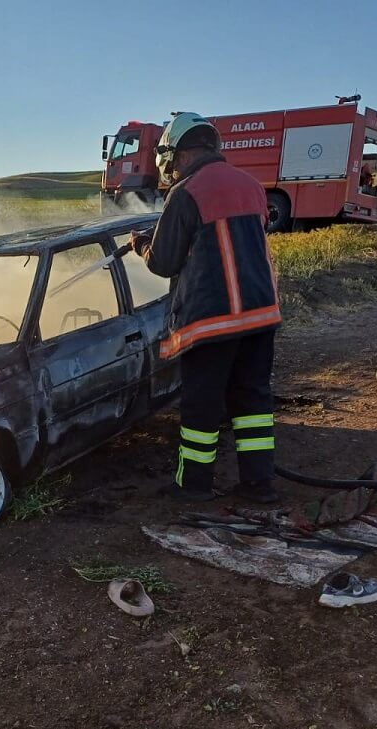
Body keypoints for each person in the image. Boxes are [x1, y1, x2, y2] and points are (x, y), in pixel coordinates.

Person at [130, 112, 282, 503]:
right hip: (261, 317)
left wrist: (141, 245)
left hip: (211, 323)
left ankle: (193, 487)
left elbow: (163, 262)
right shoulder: (251, 186)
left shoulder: (185, 193)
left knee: (202, 408)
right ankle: (259, 485)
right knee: (252, 403)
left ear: (177, 154)